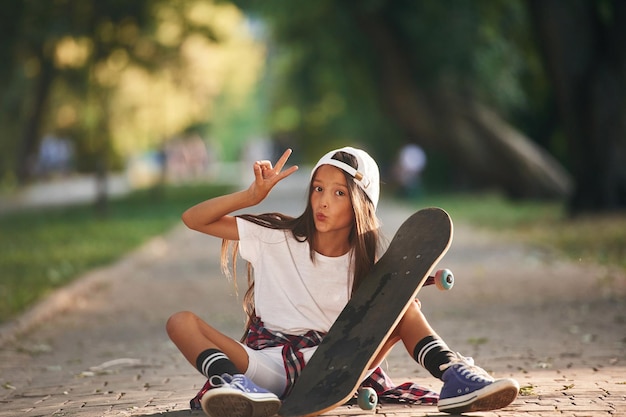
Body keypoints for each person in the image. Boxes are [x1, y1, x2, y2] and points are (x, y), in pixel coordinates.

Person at [166, 147, 519, 417]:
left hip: (333, 367)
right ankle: (236, 386)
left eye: (338, 193)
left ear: (360, 204)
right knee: (180, 322)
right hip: (266, 367)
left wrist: (402, 297)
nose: (322, 201)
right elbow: (192, 218)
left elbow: (374, 331)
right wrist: (250, 197)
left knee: (404, 305)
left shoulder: (366, 267)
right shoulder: (274, 237)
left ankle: (453, 375)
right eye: (318, 189)